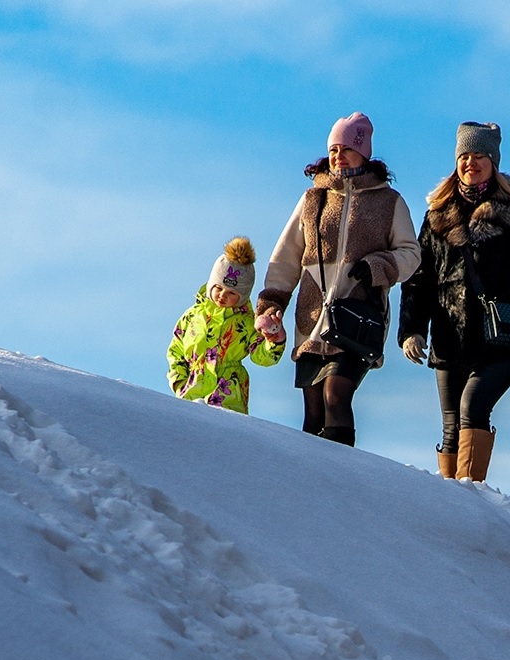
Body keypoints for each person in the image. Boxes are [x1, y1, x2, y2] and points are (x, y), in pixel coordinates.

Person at [398, 121, 510, 481]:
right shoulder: (436, 215)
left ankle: (470, 501)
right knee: (449, 427)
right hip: (449, 335)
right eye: (464, 156)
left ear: (493, 161)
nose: (470, 163)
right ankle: (449, 504)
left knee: (472, 408)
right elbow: (418, 279)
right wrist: (411, 330)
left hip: (502, 335)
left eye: (479, 156)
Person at [256, 112, 420, 447]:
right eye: (333, 149)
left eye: (346, 148)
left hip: (357, 316)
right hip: (311, 317)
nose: (338, 155)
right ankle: (309, 487)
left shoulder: (389, 201)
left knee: (336, 395)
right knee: (313, 412)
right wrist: (272, 302)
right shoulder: (312, 199)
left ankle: (343, 483)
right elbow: (287, 255)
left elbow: (411, 254)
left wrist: (379, 265)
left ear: (364, 152)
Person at [167, 236, 286, 414]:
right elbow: (176, 350)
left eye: (231, 293)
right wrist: (179, 381)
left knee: (223, 436)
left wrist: (273, 340)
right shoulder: (192, 316)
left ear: (242, 296)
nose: (222, 295)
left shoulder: (246, 322)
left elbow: (261, 356)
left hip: (228, 396)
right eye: (219, 288)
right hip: (192, 391)